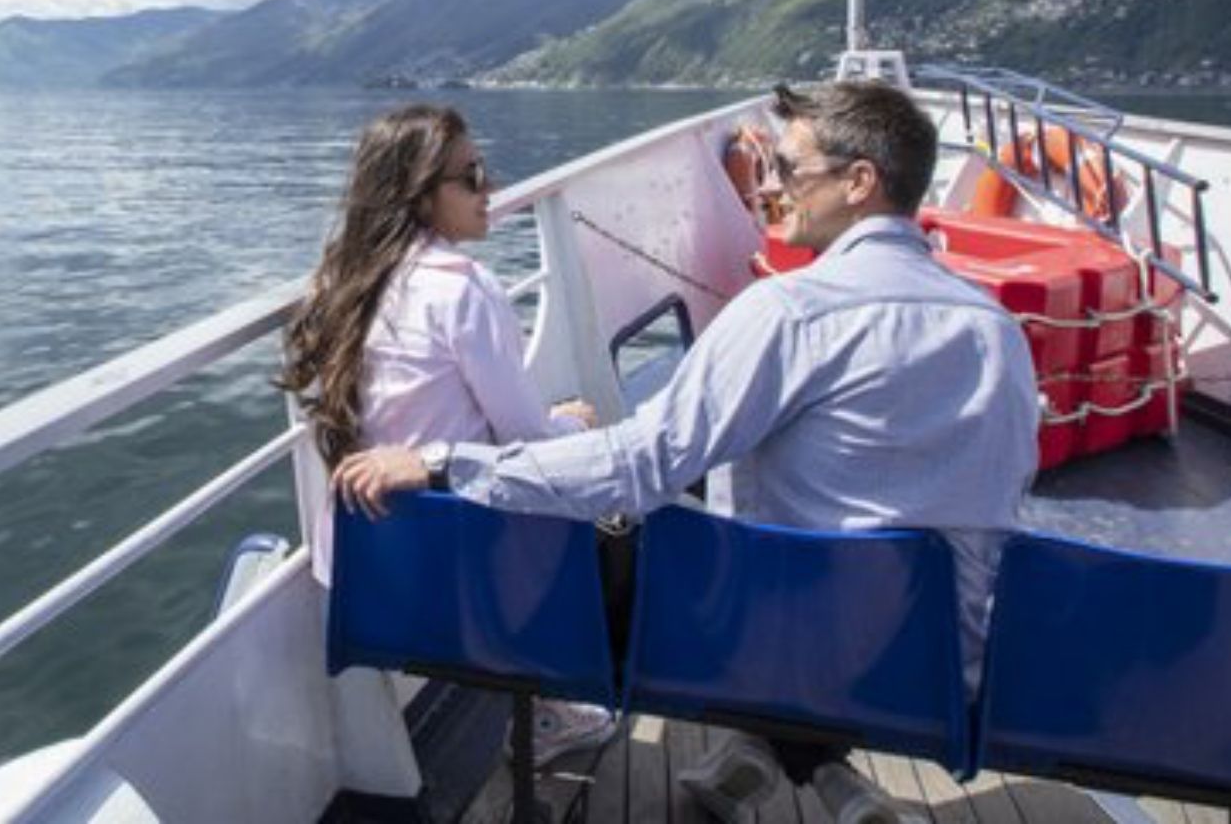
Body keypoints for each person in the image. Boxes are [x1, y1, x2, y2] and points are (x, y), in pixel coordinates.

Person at [333, 81, 1040, 824]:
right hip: (937, 665)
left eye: (787, 169)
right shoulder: (998, 331)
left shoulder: (787, 312)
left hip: (784, 660)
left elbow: (640, 466)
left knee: (613, 533)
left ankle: (743, 748)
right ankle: (813, 774)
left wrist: (449, 463)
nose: (766, 186)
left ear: (859, 181)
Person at [281, 103, 616, 767]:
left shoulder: (336, 287)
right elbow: (527, 433)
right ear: (419, 195)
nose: (490, 186)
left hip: (362, 569)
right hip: (455, 571)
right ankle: (549, 706)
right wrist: (573, 421)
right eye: (472, 174)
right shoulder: (461, 287)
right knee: (589, 477)